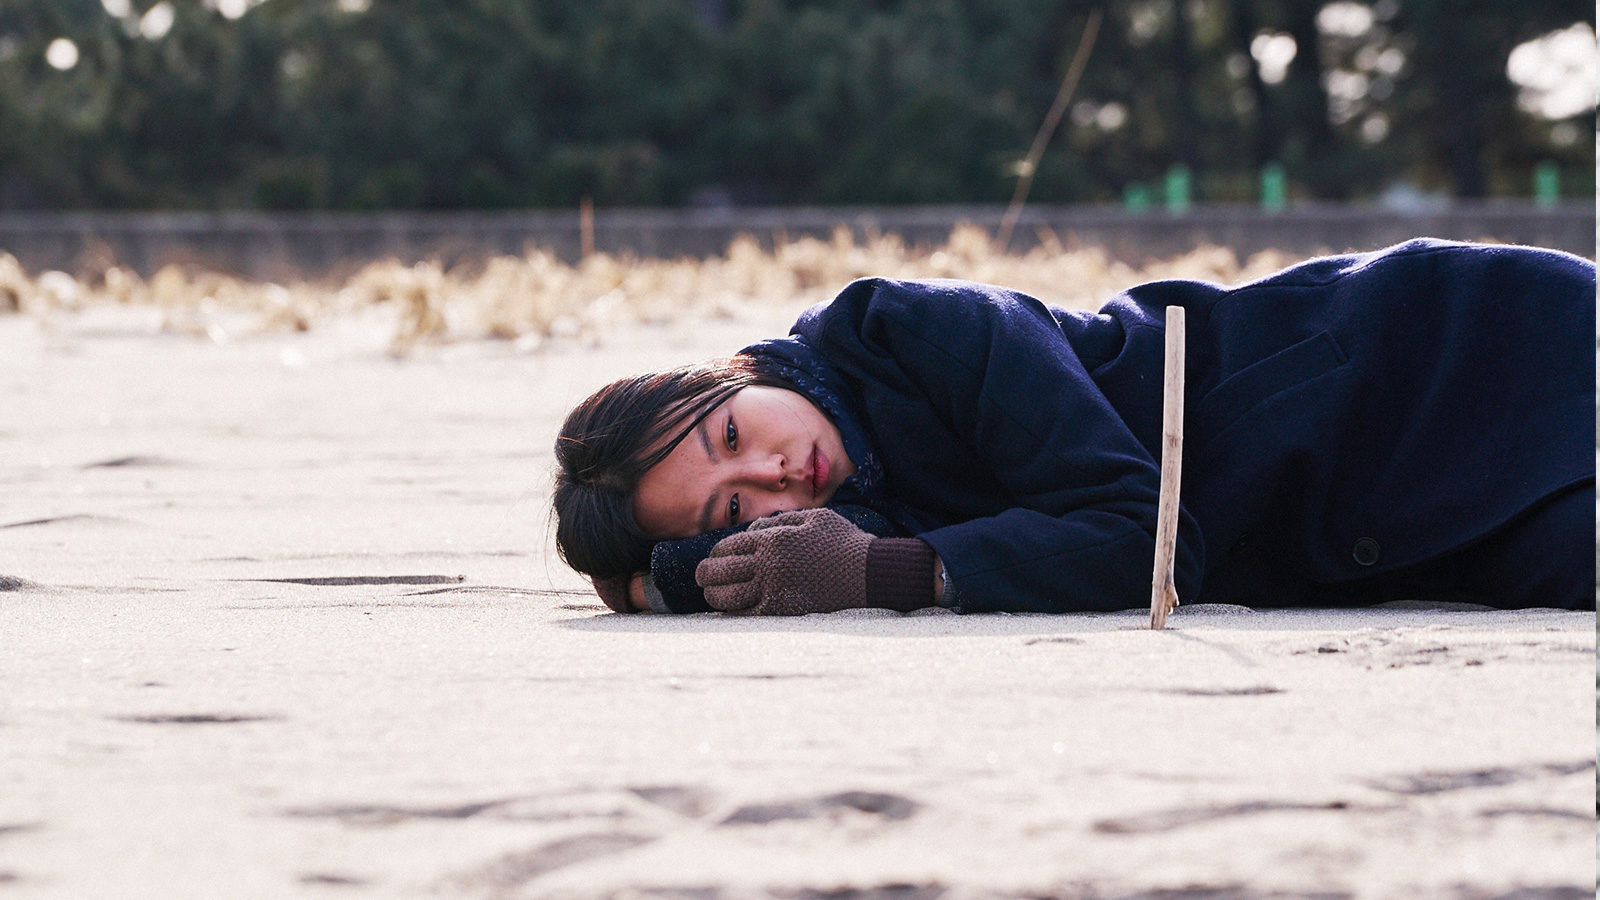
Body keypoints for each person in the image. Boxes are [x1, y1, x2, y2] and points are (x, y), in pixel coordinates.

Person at [553, 238, 1596, 615]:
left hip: (1432, 360)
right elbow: (744, 567)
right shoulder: (847, 507)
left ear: (728, 375)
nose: (782, 477)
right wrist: (660, 583)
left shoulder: (916, 330)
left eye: (733, 437)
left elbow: (1147, 540)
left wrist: (884, 574)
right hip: (1389, 528)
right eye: (736, 512)